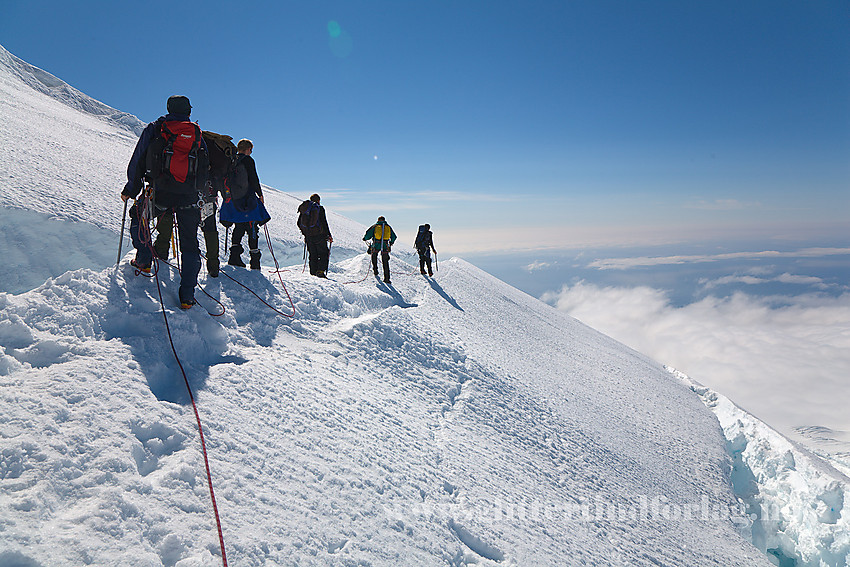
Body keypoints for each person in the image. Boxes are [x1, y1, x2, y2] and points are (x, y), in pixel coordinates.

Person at [121, 95, 208, 309]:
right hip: (189, 196)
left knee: (137, 218)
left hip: (159, 192)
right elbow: (205, 165)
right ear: (189, 110)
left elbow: (139, 158)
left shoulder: (157, 127)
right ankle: (187, 296)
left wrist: (131, 189)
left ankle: (143, 260)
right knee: (189, 244)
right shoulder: (196, 132)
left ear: (168, 108)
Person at [227, 139, 264, 270]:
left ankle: (234, 257)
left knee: (239, 226)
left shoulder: (232, 160)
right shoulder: (248, 160)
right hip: (248, 199)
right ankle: (255, 262)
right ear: (248, 149)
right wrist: (259, 194)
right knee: (252, 227)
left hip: (235, 199)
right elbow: (253, 178)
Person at [297, 194, 333, 278]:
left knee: (313, 254)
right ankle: (320, 271)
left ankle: (313, 272)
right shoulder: (319, 209)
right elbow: (324, 222)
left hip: (308, 236)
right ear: (318, 200)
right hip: (319, 236)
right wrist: (329, 235)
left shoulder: (305, 209)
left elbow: (299, 223)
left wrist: (305, 232)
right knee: (324, 253)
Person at [363, 216, 397, 284]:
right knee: (385, 261)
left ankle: (375, 271)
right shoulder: (388, 227)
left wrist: (365, 238)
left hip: (376, 244)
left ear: (378, 220)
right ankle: (387, 278)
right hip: (385, 245)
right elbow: (394, 236)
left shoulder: (375, 226)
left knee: (374, 255)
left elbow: (368, 234)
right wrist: (391, 242)